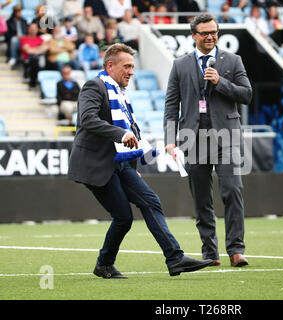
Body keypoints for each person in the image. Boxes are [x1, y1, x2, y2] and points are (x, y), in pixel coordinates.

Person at [68, 43, 213, 278]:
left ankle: (175, 258)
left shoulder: (120, 93)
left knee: (151, 201)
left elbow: (132, 133)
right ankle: (104, 264)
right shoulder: (94, 86)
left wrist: (133, 166)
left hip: (120, 164)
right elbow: (87, 120)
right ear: (110, 65)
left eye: (133, 66)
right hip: (95, 164)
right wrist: (120, 134)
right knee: (124, 217)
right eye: (127, 66)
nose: (131, 71)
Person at [164, 13, 252, 267]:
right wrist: (171, 138)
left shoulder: (233, 61)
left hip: (228, 139)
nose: (210, 36)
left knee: (233, 191)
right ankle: (210, 253)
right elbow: (171, 105)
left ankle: (236, 250)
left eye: (214, 31)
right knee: (202, 198)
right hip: (194, 140)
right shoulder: (179, 65)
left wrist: (220, 82)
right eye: (204, 33)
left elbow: (246, 94)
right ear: (194, 35)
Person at [20, 23, 48, 89]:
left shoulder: (40, 39)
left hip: (39, 59)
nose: (33, 30)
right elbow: (28, 51)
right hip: (28, 60)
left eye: (34, 29)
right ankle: (32, 83)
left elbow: (45, 48)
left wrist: (33, 50)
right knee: (34, 60)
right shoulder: (24, 39)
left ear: (37, 30)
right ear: (28, 29)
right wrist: (39, 49)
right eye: (31, 29)